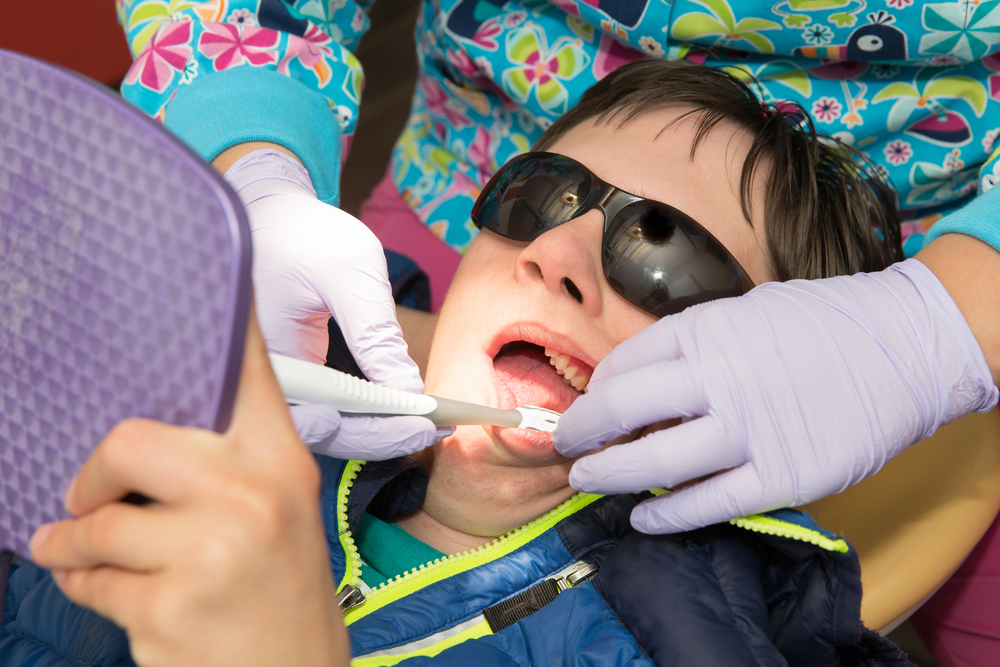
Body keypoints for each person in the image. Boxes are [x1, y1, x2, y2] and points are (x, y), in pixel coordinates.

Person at [115, 2, 1000, 662]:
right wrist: (252, 171)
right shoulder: (227, 386)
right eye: (540, 193)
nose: (556, 250)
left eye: (667, 256)